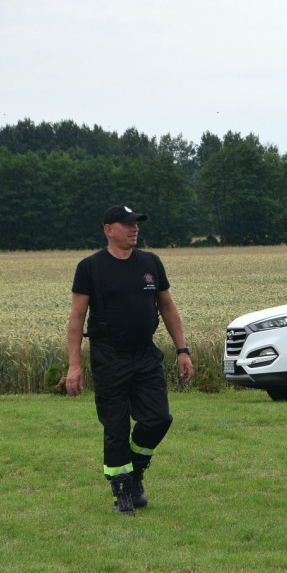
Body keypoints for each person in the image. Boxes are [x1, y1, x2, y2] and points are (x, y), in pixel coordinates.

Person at [66, 205, 194, 516]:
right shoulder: (90, 268)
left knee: (158, 419)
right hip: (109, 356)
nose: (133, 228)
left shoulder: (150, 263)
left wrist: (182, 350)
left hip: (145, 354)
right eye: (126, 224)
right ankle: (123, 492)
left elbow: (168, 308)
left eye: (135, 223)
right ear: (108, 229)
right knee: (116, 425)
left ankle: (135, 471)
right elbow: (77, 318)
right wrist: (74, 365)